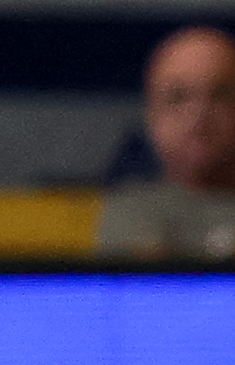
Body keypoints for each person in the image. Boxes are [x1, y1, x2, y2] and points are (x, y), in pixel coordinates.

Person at [95, 25, 235, 260]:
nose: (199, 115)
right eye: (178, 98)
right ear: (152, 118)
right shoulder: (132, 212)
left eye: (220, 95)